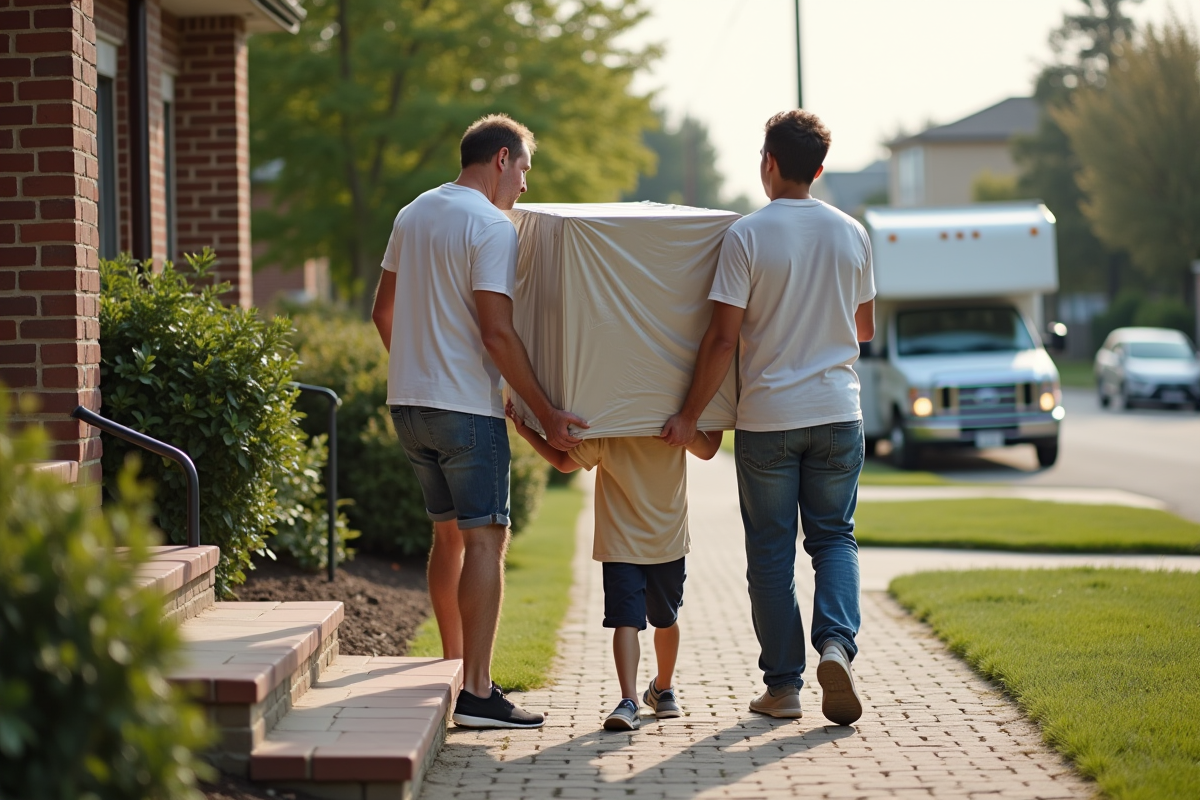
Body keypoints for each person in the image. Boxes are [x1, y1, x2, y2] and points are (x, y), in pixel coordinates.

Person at [371, 114, 589, 729]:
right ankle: (477, 691)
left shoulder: (412, 213)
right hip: (465, 409)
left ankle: (453, 670)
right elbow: (497, 331)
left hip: (408, 405)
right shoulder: (492, 226)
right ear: (500, 159)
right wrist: (546, 414)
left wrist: (419, 367)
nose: (523, 186)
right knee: (486, 540)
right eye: (523, 170)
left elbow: (381, 310)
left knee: (448, 537)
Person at [660, 109, 875, 726]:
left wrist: (689, 415)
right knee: (834, 538)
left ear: (770, 163)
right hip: (839, 413)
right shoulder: (852, 234)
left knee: (772, 557)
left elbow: (722, 341)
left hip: (769, 420)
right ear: (821, 169)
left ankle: (784, 688)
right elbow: (863, 329)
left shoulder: (747, 236)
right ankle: (836, 644)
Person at [507, 399, 722, 730]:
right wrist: (525, 430)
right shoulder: (613, 429)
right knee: (627, 620)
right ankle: (629, 699)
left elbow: (708, 450)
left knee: (666, 619)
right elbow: (565, 463)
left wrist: (719, 411)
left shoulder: (674, 426)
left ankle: (663, 688)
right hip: (621, 543)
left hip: (666, 543)